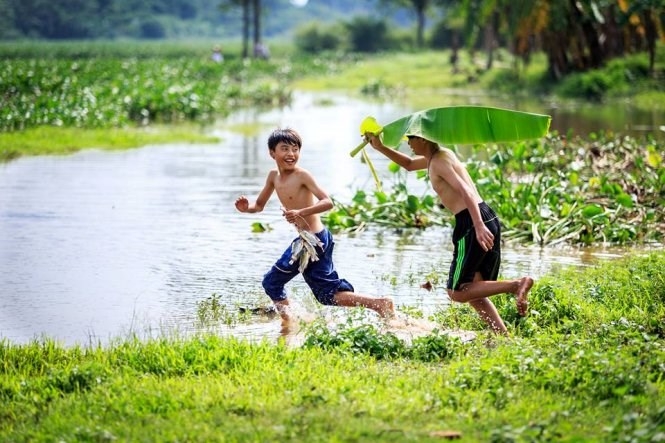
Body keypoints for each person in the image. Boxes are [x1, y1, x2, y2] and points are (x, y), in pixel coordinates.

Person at [366, 132, 533, 335]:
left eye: (411, 138)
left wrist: (478, 226)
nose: (408, 143)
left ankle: (516, 285)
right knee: (474, 290)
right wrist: (379, 147)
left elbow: (466, 192)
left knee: (456, 291)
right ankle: (503, 336)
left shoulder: (438, 163)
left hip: (472, 221)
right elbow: (409, 164)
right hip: (485, 215)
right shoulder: (442, 155)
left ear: (423, 139)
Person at [235, 128, 395, 327]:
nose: (291, 154)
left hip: (315, 240)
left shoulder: (302, 175)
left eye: (295, 149)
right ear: (272, 153)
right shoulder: (273, 177)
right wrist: (246, 208)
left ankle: (289, 323)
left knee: (272, 282)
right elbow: (258, 206)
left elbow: (328, 202)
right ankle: (379, 304)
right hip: (308, 240)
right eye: (285, 149)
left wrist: (301, 212)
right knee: (326, 295)